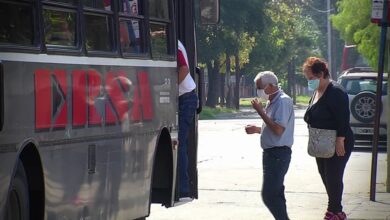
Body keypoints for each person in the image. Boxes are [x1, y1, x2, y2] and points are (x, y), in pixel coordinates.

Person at [302, 57, 354, 220]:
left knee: (333, 176)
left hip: (338, 142)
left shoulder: (336, 92)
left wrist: (340, 140)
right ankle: (336, 210)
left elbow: (343, 118)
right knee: (325, 175)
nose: (309, 82)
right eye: (308, 79)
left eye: (311, 78)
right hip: (321, 143)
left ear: (322, 73)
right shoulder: (317, 92)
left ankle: (334, 211)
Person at [245, 71, 294, 220]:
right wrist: (258, 130)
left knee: (269, 194)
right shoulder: (273, 101)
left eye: (260, 87)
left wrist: (261, 112)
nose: (259, 91)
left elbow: (279, 130)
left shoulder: (283, 101)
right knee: (276, 193)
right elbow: (274, 128)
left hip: (278, 154)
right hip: (271, 153)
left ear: (271, 86)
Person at [177, 40, 198, 199]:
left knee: (178, 143)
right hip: (181, 98)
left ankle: (183, 188)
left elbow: (184, 69)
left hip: (185, 99)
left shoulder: (172, 42)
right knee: (179, 143)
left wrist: (168, 89)